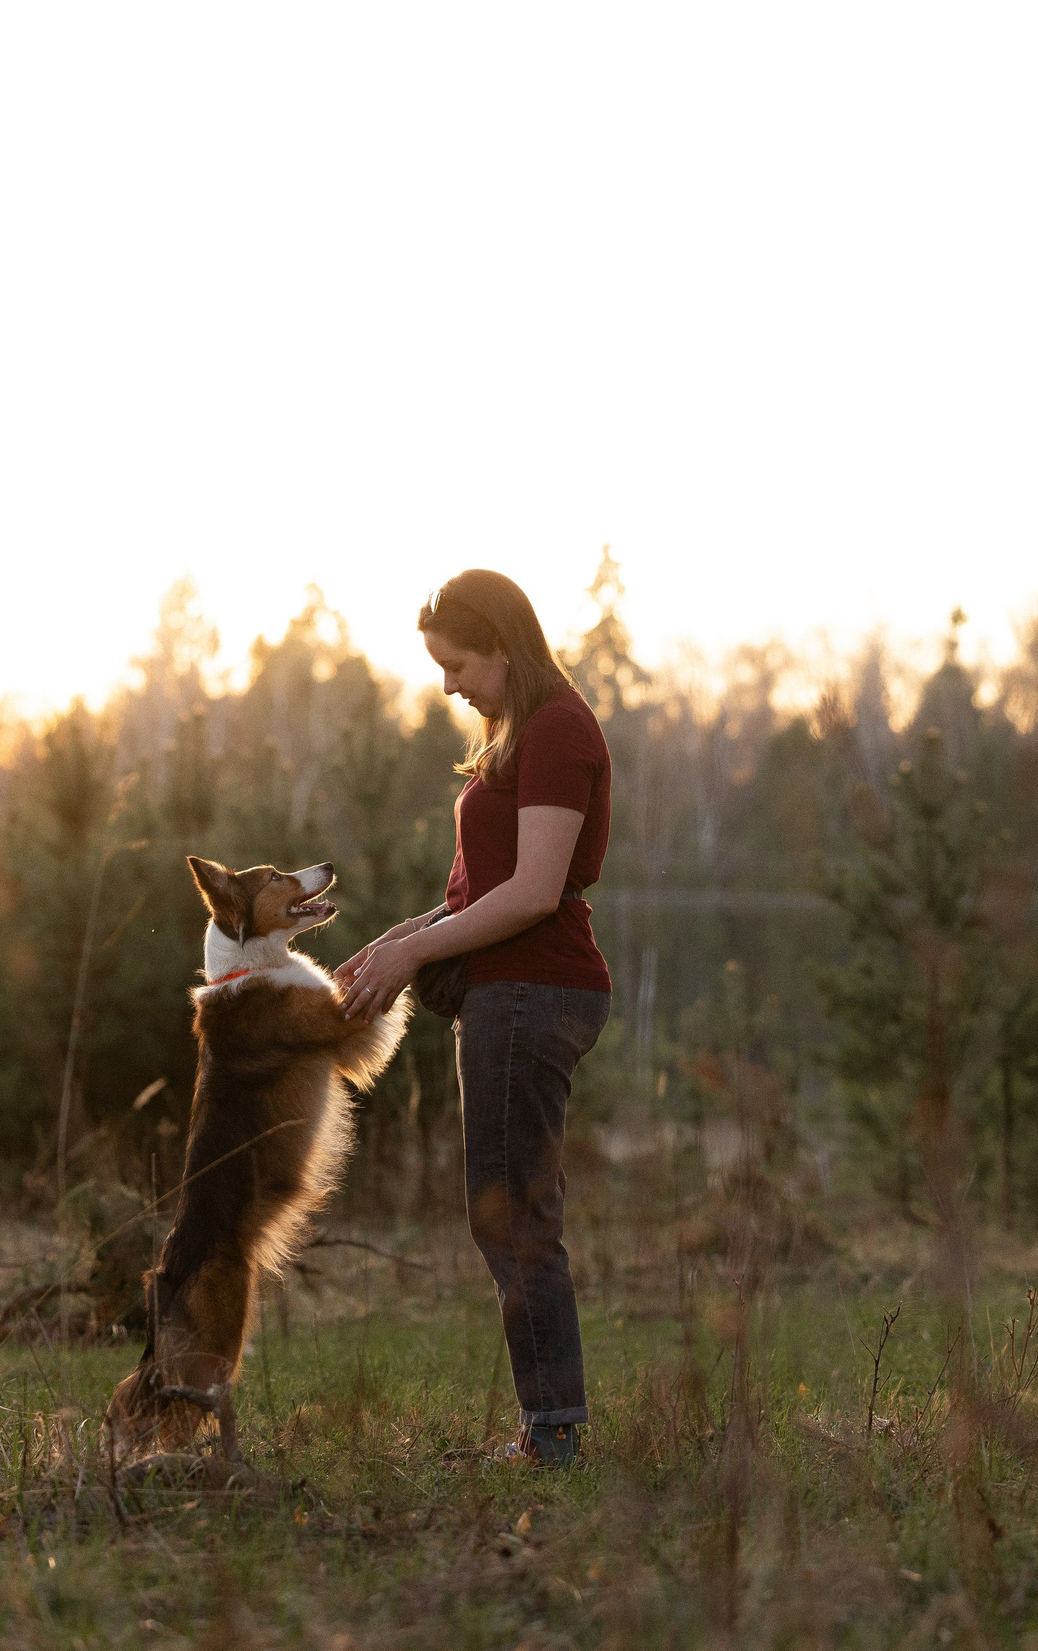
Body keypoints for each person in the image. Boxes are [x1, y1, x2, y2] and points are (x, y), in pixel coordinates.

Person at [335, 569, 612, 1468]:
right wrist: (394, 943)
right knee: (506, 1207)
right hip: (511, 989)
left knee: (514, 1210)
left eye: (457, 664)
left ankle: (554, 1434)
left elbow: (534, 894)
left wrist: (417, 956)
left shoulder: (561, 731)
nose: (448, 684)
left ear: (501, 643)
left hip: (535, 989)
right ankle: (551, 1424)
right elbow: (480, 894)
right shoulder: (516, 735)